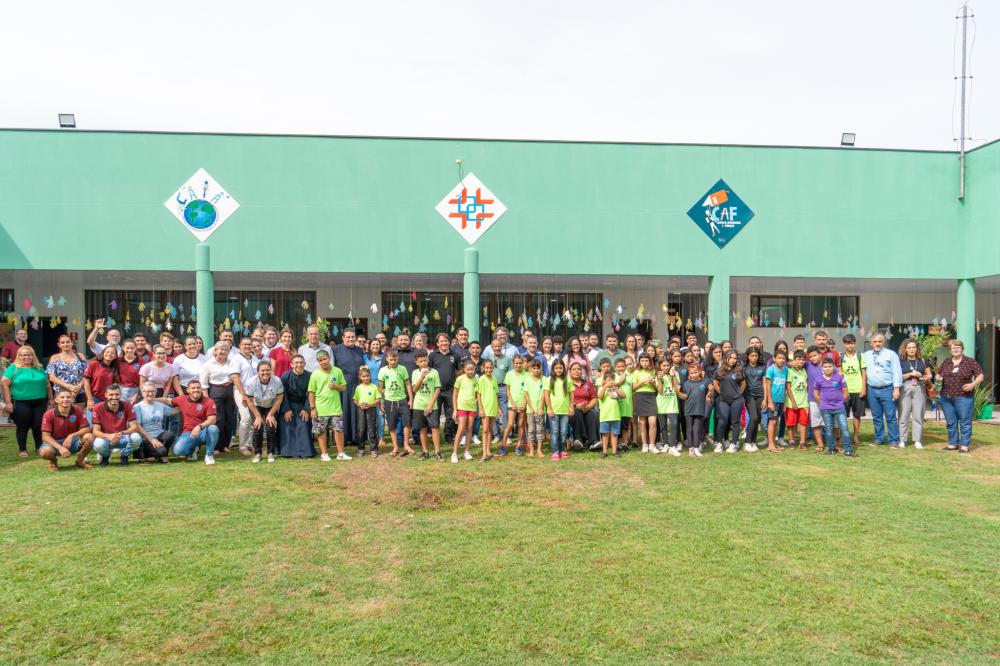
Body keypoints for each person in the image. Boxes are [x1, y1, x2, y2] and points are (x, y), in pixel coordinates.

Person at [2, 345, 52, 456]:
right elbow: (4, 384)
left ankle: (39, 447)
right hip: (21, 402)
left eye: (29, 355)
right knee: (23, 426)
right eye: (23, 355)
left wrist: (51, 400)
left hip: (40, 401)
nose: (26, 357)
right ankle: (22, 449)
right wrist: (8, 402)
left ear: (33, 356)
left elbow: (47, 384)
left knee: (38, 425)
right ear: (19, 356)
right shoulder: (13, 368)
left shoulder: (39, 367)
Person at [936, 339, 984, 454]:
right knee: (950, 422)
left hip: (963, 397)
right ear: (950, 350)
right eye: (953, 347)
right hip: (946, 397)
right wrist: (938, 377)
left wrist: (972, 384)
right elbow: (939, 374)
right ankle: (953, 444)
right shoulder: (946, 362)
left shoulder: (970, 361)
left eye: (958, 347)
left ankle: (964, 445)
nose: (956, 349)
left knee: (965, 422)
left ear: (962, 349)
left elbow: (980, 376)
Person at [200, 343, 247, 455]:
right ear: (215, 351)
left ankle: (225, 444)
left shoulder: (231, 363)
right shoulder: (208, 364)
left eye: (226, 350)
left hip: (230, 391)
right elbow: (203, 383)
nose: (223, 352)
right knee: (218, 419)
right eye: (221, 349)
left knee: (229, 419)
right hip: (215, 392)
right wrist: (206, 399)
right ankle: (215, 446)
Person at [308, 350, 351, 461]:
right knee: (321, 432)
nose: (324, 362)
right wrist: (312, 408)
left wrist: (336, 386)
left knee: (338, 431)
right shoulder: (315, 374)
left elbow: (344, 387)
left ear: (329, 358)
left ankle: (341, 454)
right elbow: (311, 392)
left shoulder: (337, 371)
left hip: (336, 408)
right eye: (321, 360)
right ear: (318, 362)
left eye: (325, 359)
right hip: (320, 409)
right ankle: (324, 454)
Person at [166, 380, 220, 464]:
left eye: (198, 388)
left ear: (201, 389)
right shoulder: (182, 399)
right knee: (177, 451)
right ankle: (192, 451)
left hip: (204, 432)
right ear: (188, 390)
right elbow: (167, 400)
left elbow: (212, 420)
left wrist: (199, 426)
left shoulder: (209, 401)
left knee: (213, 428)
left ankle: (209, 455)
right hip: (188, 432)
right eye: (193, 388)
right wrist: (153, 399)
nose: (196, 390)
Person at [863, 331, 902, 447]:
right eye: (875, 341)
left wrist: (896, 389)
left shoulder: (891, 354)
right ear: (871, 343)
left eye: (880, 341)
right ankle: (879, 439)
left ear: (883, 342)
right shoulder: (866, 355)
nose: (877, 343)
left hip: (887, 389)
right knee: (876, 416)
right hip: (872, 390)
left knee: (890, 416)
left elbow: (897, 372)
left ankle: (893, 440)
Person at [39, 390, 94, 471]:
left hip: (73, 442)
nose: (65, 399)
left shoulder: (78, 411)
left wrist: (71, 436)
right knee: (44, 452)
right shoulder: (48, 414)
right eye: (62, 397)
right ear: (56, 400)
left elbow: (87, 428)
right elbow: (45, 436)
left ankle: (80, 461)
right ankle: (53, 462)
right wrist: (60, 448)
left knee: (89, 437)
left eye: (68, 397)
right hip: (55, 443)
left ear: (72, 399)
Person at [91, 384, 141, 466]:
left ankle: (124, 455)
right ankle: (106, 456)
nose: (114, 397)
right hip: (106, 438)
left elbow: (134, 427)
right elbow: (95, 431)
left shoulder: (127, 405)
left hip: (122, 437)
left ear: (121, 394)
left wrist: (121, 433)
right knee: (98, 444)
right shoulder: (97, 408)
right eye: (111, 395)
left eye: (117, 394)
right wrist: (109, 436)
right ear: (106, 395)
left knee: (136, 437)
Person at [244, 360, 284, 463]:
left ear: (271, 370)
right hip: (256, 405)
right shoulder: (251, 382)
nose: (265, 372)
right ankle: (258, 453)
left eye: (267, 370)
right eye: (262, 370)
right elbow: (249, 401)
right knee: (258, 427)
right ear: (258, 372)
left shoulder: (277, 380)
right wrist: (258, 417)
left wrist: (270, 414)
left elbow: (279, 398)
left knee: (271, 427)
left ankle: (270, 453)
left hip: (271, 405)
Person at [813, 359, 854, 456]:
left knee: (844, 428)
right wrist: (822, 403)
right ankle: (832, 449)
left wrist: (840, 402)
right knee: (829, 429)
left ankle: (848, 450)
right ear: (822, 368)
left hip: (839, 408)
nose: (828, 369)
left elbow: (845, 392)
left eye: (830, 366)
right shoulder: (819, 379)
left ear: (833, 367)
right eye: (825, 367)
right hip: (825, 409)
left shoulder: (840, 377)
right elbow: (815, 394)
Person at [378, 350, 414, 457]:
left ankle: (406, 445)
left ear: (398, 359)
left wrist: (411, 399)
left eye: (395, 359)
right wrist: (381, 401)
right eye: (391, 360)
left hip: (402, 400)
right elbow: (380, 387)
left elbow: (408, 384)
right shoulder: (383, 370)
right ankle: (395, 447)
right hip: (389, 401)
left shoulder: (402, 369)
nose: (393, 362)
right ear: (387, 359)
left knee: (407, 423)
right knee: (392, 425)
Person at [333, 329, 365, 449]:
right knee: (344, 412)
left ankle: (357, 437)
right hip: (343, 386)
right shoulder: (336, 350)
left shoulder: (359, 350)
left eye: (353, 337)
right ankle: (344, 438)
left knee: (357, 412)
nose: (351, 339)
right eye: (348, 337)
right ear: (343, 338)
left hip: (357, 386)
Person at [897, 338, 931, 449]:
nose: (912, 349)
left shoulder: (922, 361)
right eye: (909, 348)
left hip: (919, 387)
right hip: (905, 387)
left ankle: (917, 440)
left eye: (914, 347)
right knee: (903, 414)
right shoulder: (900, 361)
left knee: (918, 415)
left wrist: (924, 376)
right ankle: (902, 439)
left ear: (917, 349)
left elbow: (929, 375)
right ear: (905, 349)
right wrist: (911, 374)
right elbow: (898, 376)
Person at [279, 355, 314, 458]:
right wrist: (287, 409)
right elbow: (283, 393)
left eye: (301, 362)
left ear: (304, 363)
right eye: (296, 363)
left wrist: (306, 409)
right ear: (291, 364)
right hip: (288, 405)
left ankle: (304, 451)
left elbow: (311, 393)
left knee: (303, 425)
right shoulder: (285, 376)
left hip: (303, 406)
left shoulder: (310, 376)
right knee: (288, 425)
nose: (299, 365)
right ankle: (289, 451)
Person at [410, 349, 442, 460]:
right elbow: (414, 389)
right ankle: (425, 451)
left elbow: (437, 389)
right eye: (421, 361)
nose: (423, 363)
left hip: (432, 406)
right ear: (417, 363)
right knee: (422, 429)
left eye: (425, 360)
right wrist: (422, 377)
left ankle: (438, 452)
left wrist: (430, 405)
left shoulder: (434, 372)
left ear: (428, 360)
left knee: (434, 428)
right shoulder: (415, 373)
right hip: (419, 405)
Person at [430, 332, 460, 447]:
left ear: (449, 342)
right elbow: (429, 371)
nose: (444, 343)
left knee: (450, 415)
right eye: (441, 341)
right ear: (437, 344)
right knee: (435, 415)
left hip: (450, 390)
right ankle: (436, 437)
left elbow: (459, 371)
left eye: (446, 341)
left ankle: (449, 437)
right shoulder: (433, 355)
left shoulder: (455, 355)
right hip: (436, 390)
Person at [713, 350, 746, 453]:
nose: (732, 360)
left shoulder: (739, 370)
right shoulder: (719, 371)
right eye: (730, 358)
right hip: (723, 400)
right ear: (726, 358)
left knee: (735, 422)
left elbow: (743, 384)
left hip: (737, 400)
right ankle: (719, 443)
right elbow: (715, 384)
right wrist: (722, 393)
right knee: (722, 421)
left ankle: (733, 444)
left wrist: (739, 394)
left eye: (735, 358)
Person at [132, 382, 174, 463]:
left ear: (156, 392)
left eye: (152, 391)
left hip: (158, 435)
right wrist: (151, 440)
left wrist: (185, 403)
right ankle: (144, 455)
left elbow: (173, 411)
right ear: (142, 392)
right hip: (145, 438)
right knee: (161, 451)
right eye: (147, 391)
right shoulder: (137, 407)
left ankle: (162, 455)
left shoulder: (160, 405)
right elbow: (138, 427)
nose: (150, 394)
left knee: (170, 435)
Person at [678, 364, 712, 457]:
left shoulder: (704, 382)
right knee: (689, 429)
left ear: (700, 372)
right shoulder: (686, 383)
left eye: (695, 372)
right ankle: (691, 448)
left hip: (699, 409)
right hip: (688, 410)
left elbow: (709, 396)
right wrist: (678, 392)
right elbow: (684, 396)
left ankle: (696, 448)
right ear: (689, 374)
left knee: (696, 429)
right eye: (691, 373)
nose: (693, 375)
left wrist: (711, 391)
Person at [840, 334, 867, 448]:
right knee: (842, 415)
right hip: (845, 390)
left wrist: (863, 387)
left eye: (851, 343)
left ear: (854, 343)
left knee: (857, 415)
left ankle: (856, 437)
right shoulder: (841, 357)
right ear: (844, 344)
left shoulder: (860, 355)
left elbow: (864, 373)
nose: (850, 345)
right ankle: (843, 436)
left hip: (858, 389)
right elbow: (840, 373)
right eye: (847, 343)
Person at [450, 359, 479, 462]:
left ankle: (467, 451)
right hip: (462, 407)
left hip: (472, 407)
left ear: (475, 369)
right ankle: (454, 453)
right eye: (468, 369)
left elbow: (477, 394)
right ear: (464, 369)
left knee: (470, 429)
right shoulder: (460, 379)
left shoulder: (477, 379)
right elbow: (455, 394)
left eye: (472, 369)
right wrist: (455, 409)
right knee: (461, 429)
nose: (470, 371)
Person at [46, 334, 88, 403]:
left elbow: (87, 373)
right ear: (59, 345)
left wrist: (79, 386)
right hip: (61, 393)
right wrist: (69, 387)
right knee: (62, 410)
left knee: (78, 410)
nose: (66, 344)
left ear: (72, 343)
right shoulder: (54, 357)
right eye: (63, 342)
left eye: (68, 342)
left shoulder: (80, 356)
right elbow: (51, 377)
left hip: (79, 392)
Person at [485, 337, 513, 439]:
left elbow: (511, 375)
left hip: (503, 387)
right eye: (495, 346)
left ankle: (507, 435)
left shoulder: (508, 359)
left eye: (499, 346)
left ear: (502, 347)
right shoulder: (488, 359)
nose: (497, 348)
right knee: (493, 412)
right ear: (491, 347)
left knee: (505, 412)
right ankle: (496, 435)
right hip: (491, 388)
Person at [544, 358, 572, 460]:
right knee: (555, 431)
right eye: (556, 368)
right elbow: (546, 395)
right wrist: (549, 408)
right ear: (553, 368)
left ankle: (563, 450)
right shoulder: (549, 380)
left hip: (565, 411)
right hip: (554, 411)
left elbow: (571, 395)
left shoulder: (568, 380)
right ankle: (555, 451)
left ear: (564, 368)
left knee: (563, 432)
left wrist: (571, 407)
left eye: (561, 368)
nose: (558, 370)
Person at [568, 361, 599, 451]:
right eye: (574, 369)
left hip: (587, 408)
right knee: (577, 412)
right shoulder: (567, 384)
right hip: (573, 409)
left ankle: (593, 442)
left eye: (578, 369)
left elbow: (594, 398)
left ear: (581, 371)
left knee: (592, 413)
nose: (576, 371)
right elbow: (565, 400)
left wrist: (588, 407)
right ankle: (579, 440)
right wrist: (576, 405)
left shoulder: (587, 383)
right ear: (570, 371)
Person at [501, 355, 528, 455]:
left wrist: (524, 402)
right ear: (513, 363)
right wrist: (512, 402)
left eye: (520, 363)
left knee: (521, 424)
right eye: (516, 363)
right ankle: (503, 445)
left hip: (522, 403)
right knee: (510, 424)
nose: (518, 365)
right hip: (512, 404)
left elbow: (528, 390)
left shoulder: (527, 375)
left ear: (523, 363)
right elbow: (507, 390)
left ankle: (519, 445)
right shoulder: (509, 374)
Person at [632, 353, 658, 453]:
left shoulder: (654, 371)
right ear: (639, 362)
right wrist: (642, 381)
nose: (644, 363)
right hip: (640, 396)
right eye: (642, 361)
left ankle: (652, 445)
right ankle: (644, 444)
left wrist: (652, 383)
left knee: (652, 422)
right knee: (642, 422)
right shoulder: (636, 372)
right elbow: (633, 388)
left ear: (650, 361)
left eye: (646, 360)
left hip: (651, 396)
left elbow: (657, 388)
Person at [352, 366, 381, 457]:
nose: (366, 378)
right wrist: (359, 404)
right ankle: (361, 448)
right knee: (361, 429)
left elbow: (378, 399)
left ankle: (374, 449)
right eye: (364, 376)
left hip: (371, 409)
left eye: (367, 376)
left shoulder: (374, 387)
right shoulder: (358, 388)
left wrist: (370, 404)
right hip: (361, 410)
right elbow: (355, 400)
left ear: (370, 376)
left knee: (372, 429)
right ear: (360, 377)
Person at [654, 358, 680, 456]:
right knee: (663, 425)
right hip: (661, 403)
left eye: (667, 365)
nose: (666, 367)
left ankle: (672, 446)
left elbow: (677, 388)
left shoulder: (675, 373)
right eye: (663, 366)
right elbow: (660, 391)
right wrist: (659, 379)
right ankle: (666, 444)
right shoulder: (658, 375)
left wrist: (673, 376)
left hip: (672, 403)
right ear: (660, 366)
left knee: (674, 424)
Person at [763, 350, 787, 453]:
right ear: (774, 358)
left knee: (776, 421)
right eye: (779, 358)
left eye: (783, 358)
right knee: (772, 421)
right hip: (773, 400)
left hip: (781, 400)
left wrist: (784, 402)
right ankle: (770, 445)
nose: (781, 360)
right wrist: (769, 401)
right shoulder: (771, 369)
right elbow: (767, 385)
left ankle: (774, 443)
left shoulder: (785, 370)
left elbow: (785, 387)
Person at [363, 338, 386, 445]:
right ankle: (371, 437)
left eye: (377, 344)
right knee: (370, 415)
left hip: (381, 389)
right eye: (373, 344)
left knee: (380, 414)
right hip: (368, 390)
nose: (375, 346)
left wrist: (385, 387)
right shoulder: (365, 358)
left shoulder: (384, 357)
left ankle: (381, 437)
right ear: (369, 346)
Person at [804, 346, 828, 451]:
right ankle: (820, 444)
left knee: (830, 422)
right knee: (815, 422)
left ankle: (832, 443)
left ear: (820, 354)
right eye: (810, 356)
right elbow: (793, 363)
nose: (812, 358)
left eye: (814, 355)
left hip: (827, 398)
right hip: (813, 399)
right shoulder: (807, 364)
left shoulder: (827, 365)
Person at [83, 346, 119, 413]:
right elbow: (86, 381)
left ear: (115, 356)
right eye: (107, 352)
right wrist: (89, 399)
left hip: (109, 399)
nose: (109, 354)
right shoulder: (94, 363)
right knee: (92, 419)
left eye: (112, 353)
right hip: (95, 398)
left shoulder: (115, 367)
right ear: (103, 353)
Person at [522, 359, 547, 458]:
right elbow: (526, 394)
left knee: (540, 429)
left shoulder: (544, 379)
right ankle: (531, 449)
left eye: (538, 368)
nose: (536, 370)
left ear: (541, 369)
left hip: (540, 409)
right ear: (531, 369)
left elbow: (544, 394)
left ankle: (539, 450)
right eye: (534, 368)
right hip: (530, 410)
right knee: (531, 430)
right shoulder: (527, 379)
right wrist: (531, 407)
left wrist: (541, 407)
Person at [785, 351, 809, 449]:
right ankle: (791, 441)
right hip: (792, 403)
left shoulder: (805, 371)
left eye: (803, 359)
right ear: (794, 360)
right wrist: (793, 402)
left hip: (803, 402)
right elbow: (788, 387)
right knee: (791, 423)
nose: (801, 361)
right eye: (798, 359)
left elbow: (806, 385)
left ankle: (803, 442)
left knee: (803, 422)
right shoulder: (790, 371)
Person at [743, 347, 766, 451]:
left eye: (756, 355)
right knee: (754, 417)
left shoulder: (762, 367)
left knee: (757, 419)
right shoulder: (744, 368)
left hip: (760, 395)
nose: (754, 358)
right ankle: (747, 442)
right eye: (752, 356)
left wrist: (766, 398)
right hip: (749, 395)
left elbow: (765, 383)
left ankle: (753, 442)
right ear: (748, 356)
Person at [477, 359, 499, 461]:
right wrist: (481, 409)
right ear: (483, 368)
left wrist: (498, 408)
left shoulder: (494, 379)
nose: (488, 370)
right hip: (485, 408)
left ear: (493, 368)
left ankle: (488, 450)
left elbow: (496, 394)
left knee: (490, 429)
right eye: (486, 368)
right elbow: (478, 395)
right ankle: (484, 453)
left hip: (493, 407)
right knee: (485, 430)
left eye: (490, 368)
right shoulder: (481, 379)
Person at [597, 370, 622, 458]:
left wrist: (616, 389)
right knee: (605, 434)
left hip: (615, 416)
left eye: (612, 380)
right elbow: (600, 396)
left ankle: (614, 451)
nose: (610, 382)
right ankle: (604, 451)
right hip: (605, 416)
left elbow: (623, 395)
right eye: (608, 380)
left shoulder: (616, 389)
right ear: (604, 381)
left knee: (614, 434)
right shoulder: (601, 388)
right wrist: (605, 387)